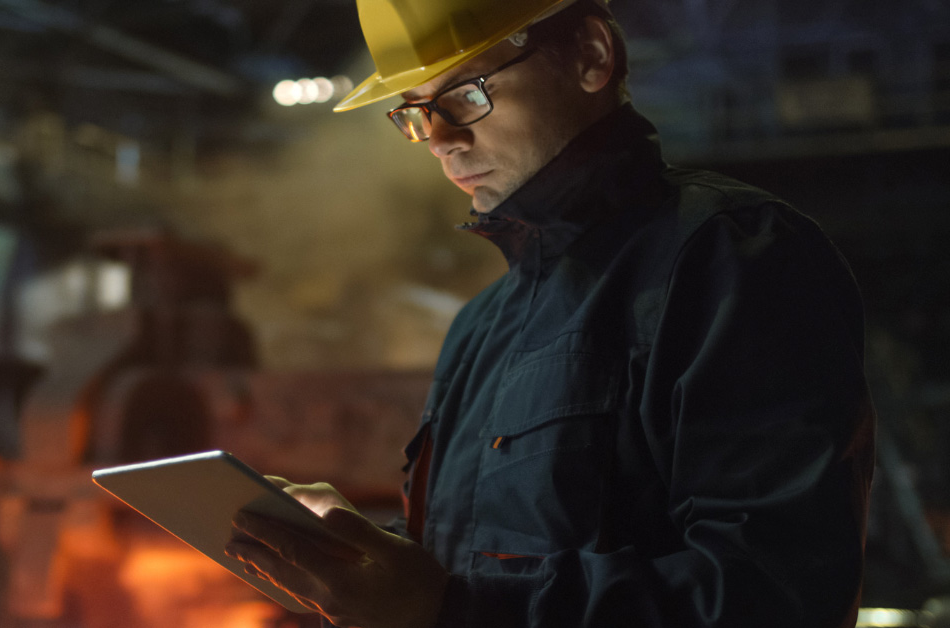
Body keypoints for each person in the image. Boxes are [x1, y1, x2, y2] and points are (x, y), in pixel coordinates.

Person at [224, 1, 877, 627]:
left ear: (592, 55)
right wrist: (360, 562)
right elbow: (472, 567)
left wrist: (447, 610)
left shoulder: (729, 257)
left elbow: (777, 597)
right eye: (416, 114)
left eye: (466, 94)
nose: (441, 141)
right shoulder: (480, 328)